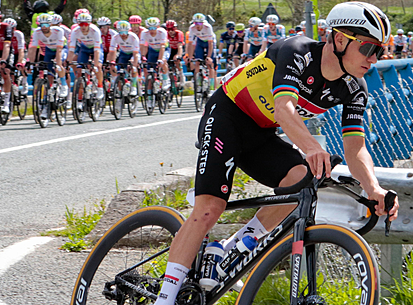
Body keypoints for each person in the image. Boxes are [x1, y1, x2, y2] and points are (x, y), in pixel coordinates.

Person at [151, 2, 399, 305]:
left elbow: (355, 146)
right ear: (339, 39)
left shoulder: (355, 88)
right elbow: (284, 108)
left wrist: (373, 188)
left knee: (302, 179)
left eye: (380, 51)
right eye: (368, 48)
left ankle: (228, 250)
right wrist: (311, 146)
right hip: (227, 115)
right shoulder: (297, 50)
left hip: (261, 134)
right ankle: (164, 298)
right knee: (209, 209)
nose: (374, 59)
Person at [27, 13, 67, 118]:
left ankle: (63, 85)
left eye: (46, 24)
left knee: (58, 66)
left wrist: (58, 63)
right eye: (41, 25)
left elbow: (59, 50)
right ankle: (49, 97)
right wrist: (29, 62)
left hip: (61, 49)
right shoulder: (37, 32)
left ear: (50, 24)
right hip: (49, 50)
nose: (44, 27)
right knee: (49, 74)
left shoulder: (58, 31)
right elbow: (33, 48)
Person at [67, 12, 104, 107]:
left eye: (85, 24)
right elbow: (71, 49)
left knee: (98, 67)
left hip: (96, 48)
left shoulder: (95, 30)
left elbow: (96, 51)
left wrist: (96, 64)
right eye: (80, 24)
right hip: (84, 49)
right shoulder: (75, 31)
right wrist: (67, 62)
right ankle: (80, 98)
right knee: (79, 72)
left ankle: (100, 87)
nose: (83, 26)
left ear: (89, 24)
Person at [108, 20, 141, 96]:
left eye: (125, 33)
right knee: (119, 72)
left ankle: (134, 87)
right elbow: (112, 51)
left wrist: (134, 63)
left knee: (133, 68)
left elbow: (136, 54)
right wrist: (112, 61)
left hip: (133, 53)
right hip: (123, 53)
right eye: (120, 32)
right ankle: (119, 92)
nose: (123, 35)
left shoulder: (133, 37)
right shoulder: (115, 37)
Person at [186, 13, 217, 90]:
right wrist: (189, 56)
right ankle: (198, 85)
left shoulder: (208, 27)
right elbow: (190, 43)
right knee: (197, 62)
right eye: (196, 23)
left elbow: (210, 44)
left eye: (199, 23)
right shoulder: (192, 28)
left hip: (210, 42)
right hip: (200, 41)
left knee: (210, 64)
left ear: (203, 23)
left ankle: (212, 88)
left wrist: (209, 57)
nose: (198, 25)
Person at [140, 17, 169, 92]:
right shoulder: (144, 33)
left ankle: (166, 80)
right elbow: (143, 46)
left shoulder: (162, 31)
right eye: (150, 28)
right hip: (152, 50)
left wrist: (160, 59)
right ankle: (151, 91)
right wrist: (142, 57)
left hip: (164, 49)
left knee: (163, 61)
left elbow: (162, 46)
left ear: (158, 26)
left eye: (154, 28)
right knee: (149, 69)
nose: (152, 30)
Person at [165, 20, 185, 87]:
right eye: (168, 29)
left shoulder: (179, 33)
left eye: (172, 29)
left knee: (176, 60)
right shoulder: (166, 34)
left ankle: (181, 75)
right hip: (171, 49)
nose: (170, 31)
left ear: (175, 28)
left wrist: (179, 56)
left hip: (179, 48)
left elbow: (180, 46)